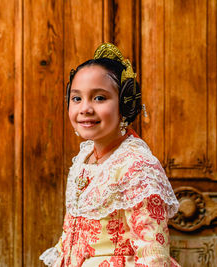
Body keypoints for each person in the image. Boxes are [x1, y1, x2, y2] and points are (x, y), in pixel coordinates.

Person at [39, 43, 180, 267]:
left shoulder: (138, 166)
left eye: (99, 98)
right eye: (77, 98)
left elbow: (153, 253)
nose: (85, 108)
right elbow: (72, 231)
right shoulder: (85, 156)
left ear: (125, 103)